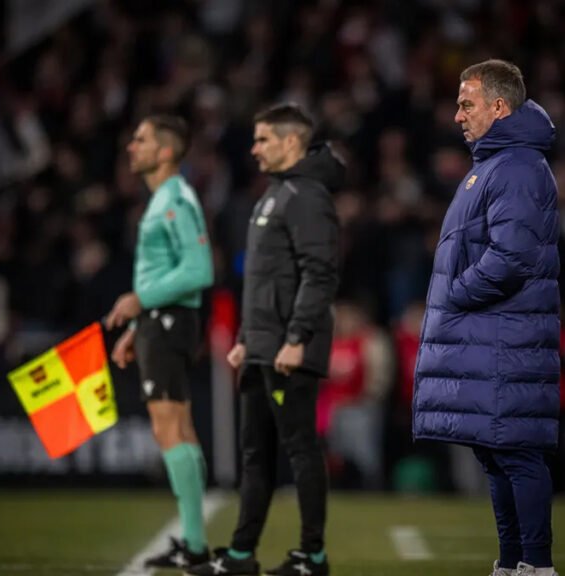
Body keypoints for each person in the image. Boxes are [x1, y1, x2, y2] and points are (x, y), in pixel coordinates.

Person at [413, 59, 561, 576]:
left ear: (500, 107)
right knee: (496, 451)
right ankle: (512, 561)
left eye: (466, 103)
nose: (457, 115)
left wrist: (454, 294)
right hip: (493, 335)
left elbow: (513, 257)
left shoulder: (517, 166)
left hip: (506, 335)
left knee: (516, 452)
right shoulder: (495, 165)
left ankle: (536, 566)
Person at [187, 104, 343, 576]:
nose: (253, 148)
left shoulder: (306, 196)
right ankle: (240, 555)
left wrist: (297, 337)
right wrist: (244, 337)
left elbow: (320, 273)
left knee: (299, 450)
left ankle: (312, 557)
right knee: (255, 455)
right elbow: (264, 279)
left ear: (290, 142)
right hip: (262, 346)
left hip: (287, 350)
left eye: (262, 140)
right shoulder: (276, 194)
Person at [104, 114, 214, 569]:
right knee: (176, 428)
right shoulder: (165, 198)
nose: (132, 146)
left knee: (171, 428)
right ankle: (193, 540)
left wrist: (139, 301)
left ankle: (194, 544)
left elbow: (198, 270)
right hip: (161, 322)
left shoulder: (174, 199)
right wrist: (139, 324)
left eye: (141, 139)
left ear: (165, 151)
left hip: (168, 322)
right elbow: (173, 270)